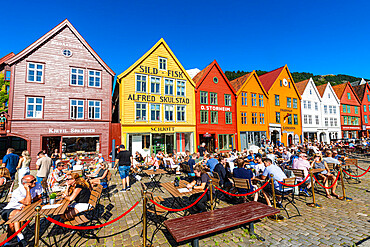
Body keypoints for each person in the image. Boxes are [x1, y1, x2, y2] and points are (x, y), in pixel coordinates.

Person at [1, 175, 42, 246]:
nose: (35, 182)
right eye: (32, 181)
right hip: (9, 210)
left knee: (12, 224)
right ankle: (20, 236)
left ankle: (9, 241)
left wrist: (28, 202)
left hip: (22, 211)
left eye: (34, 179)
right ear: (25, 184)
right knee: (18, 214)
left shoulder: (37, 185)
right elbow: (28, 202)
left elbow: (39, 197)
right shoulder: (18, 191)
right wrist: (27, 190)